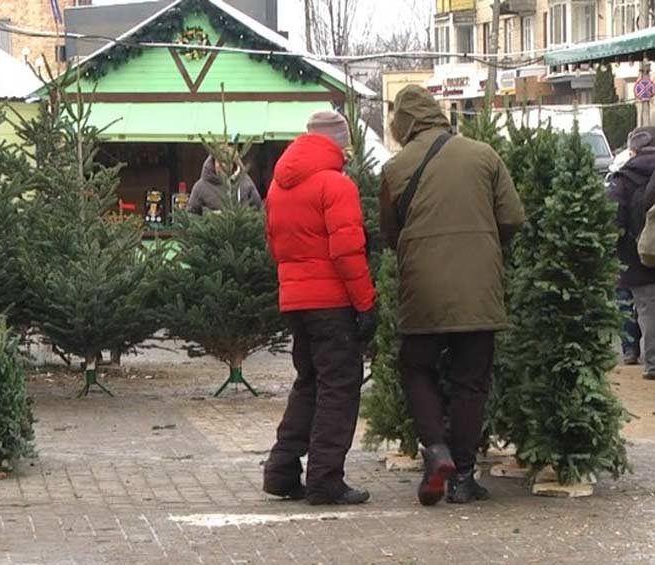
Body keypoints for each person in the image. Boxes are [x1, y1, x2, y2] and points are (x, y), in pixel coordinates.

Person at [379, 86, 525, 506]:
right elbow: (513, 217)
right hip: (479, 285)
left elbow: (389, 234)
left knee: (416, 366)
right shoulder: (484, 155)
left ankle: (435, 449)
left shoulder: (395, 168)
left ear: (402, 123)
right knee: (470, 382)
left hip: (422, 285)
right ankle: (463, 477)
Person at [263, 110, 378, 506]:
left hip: (294, 300)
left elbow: (275, 245)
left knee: (308, 384)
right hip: (332, 303)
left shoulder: (279, 186)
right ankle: (325, 479)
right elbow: (348, 252)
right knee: (339, 388)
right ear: (338, 142)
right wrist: (366, 303)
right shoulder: (336, 184)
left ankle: (281, 472)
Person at [609, 127, 655, 378]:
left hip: (636, 256)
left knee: (646, 309)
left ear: (633, 150)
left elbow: (614, 220)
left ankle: (647, 361)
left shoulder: (623, 177)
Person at [186, 153, 262, 214]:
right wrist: (209, 218)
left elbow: (258, 210)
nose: (223, 166)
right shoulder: (201, 187)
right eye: (219, 162)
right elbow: (191, 215)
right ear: (214, 161)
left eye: (226, 162)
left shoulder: (246, 183)